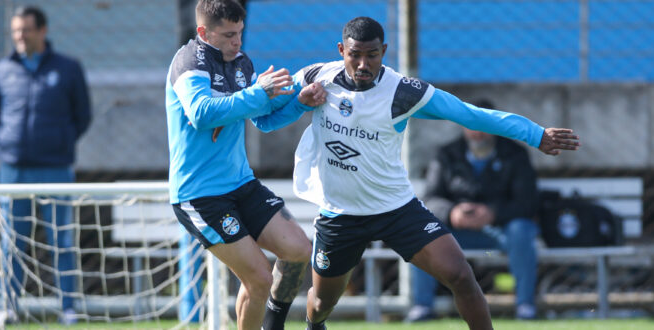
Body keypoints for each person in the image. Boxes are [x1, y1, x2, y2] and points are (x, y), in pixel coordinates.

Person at [289, 17, 579, 330]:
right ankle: (313, 323)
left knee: (459, 274)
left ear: (384, 51)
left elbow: (470, 114)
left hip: (395, 208)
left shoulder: (403, 92)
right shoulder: (316, 77)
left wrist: (535, 134)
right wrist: (286, 101)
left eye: (372, 55)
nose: (362, 64)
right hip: (340, 213)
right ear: (341, 50)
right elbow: (272, 107)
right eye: (354, 55)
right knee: (322, 303)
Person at [165, 1, 326, 329]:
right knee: (259, 280)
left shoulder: (240, 62)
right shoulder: (188, 62)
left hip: (240, 184)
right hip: (200, 196)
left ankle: (273, 321)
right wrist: (258, 92)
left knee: (297, 250)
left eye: (239, 32)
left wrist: (299, 102)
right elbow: (202, 114)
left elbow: (263, 120)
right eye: (228, 35)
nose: (237, 41)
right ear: (203, 32)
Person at [0, 6, 91, 326]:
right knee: (12, 242)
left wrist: (59, 142)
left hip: (56, 168)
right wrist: (8, 142)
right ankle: (9, 306)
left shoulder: (69, 68)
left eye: (26, 30)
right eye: (16, 31)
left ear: (42, 31)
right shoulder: (1, 70)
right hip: (14, 170)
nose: (19, 36)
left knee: (61, 239)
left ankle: (69, 308)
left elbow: (82, 116)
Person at [405, 117, 541, 322]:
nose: (478, 134)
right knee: (423, 230)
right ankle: (422, 307)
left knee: (521, 229)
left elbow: (528, 202)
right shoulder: (446, 155)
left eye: (484, 128)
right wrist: (452, 212)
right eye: (472, 128)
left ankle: (525, 306)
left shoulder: (515, 154)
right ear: (463, 128)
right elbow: (430, 199)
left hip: (501, 232)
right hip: (457, 233)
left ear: (495, 128)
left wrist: (493, 213)